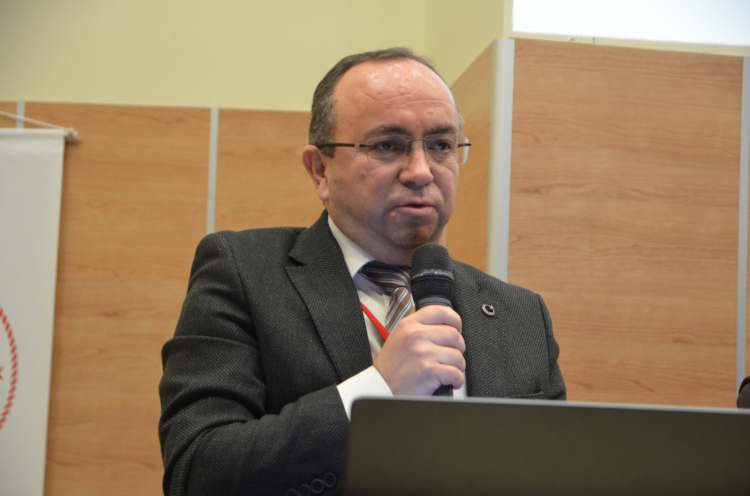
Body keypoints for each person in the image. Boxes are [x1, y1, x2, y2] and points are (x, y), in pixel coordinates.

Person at [159, 47, 565, 496]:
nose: (421, 171)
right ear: (320, 170)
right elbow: (197, 472)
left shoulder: (522, 315)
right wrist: (379, 388)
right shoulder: (244, 273)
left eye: (440, 145)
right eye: (387, 146)